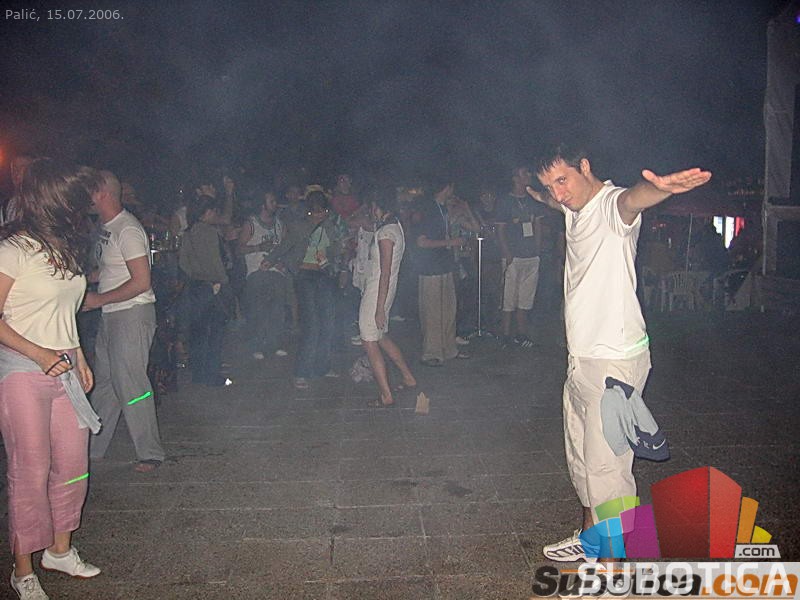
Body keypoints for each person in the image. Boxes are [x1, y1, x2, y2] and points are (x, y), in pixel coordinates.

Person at [532, 144, 711, 561]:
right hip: (582, 358)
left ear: (585, 167)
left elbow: (634, 200)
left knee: (608, 469)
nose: (559, 193)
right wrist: (538, 194)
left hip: (613, 361)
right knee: (582, 458)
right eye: (550, 186)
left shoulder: (612, 207)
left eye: (563, 180)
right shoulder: (572, 209)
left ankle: (614, 567)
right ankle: (589, 538)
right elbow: (553, 201)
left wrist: (661, 189)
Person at [0, 158, 102, 599]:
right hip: (23, 370)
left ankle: (60, 550)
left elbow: (65, 312)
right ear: (51, 199)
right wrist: (40, 354)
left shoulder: (64, 248)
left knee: (74, 464)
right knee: (31, 469)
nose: (82, 204)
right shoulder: (14, 250)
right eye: (74, 196)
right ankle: (22, 568)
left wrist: (78, 355)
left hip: (64, 369)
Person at [82, 170, 166, 473]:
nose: (86, 198)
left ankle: (150, 453)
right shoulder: (107, 228)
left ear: (103, 193)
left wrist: (97, 300)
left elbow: (141, 281)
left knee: (131, 383)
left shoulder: (127, 229)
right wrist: (80, 281)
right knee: (106, 384)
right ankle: (92, 449)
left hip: (131, 313)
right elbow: (111, 270)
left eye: (90, 191)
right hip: (112, 313)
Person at [359, 191, 416, 406]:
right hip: (384, 289)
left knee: (369, 340)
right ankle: (408, 377)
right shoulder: (395, 227)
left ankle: (386, 395)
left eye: (373, 208)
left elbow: (384, 272)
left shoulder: (386, 234)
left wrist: (379, 308)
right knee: (381, 336)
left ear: (380, 207)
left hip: (377, 291)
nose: (371, 212)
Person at [415, 180, 470, 367]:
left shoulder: (443, 209)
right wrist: (451, 242)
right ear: (447, 187)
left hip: (444, 266)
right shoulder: (428, 209)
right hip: (430, 268)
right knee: (432, 312)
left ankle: (448, 349)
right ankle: (431, 353)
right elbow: (421, 242)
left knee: (448, 310)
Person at [178, 195, 231, 387]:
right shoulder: (208, 232)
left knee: (198, 333)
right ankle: (211, 375)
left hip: (195, 286)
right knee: (214, 333)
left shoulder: (188, 232)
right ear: (206, 212)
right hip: (212, 286)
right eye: (214, 210)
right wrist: (223, 281)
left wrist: (195, 274)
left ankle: (199, 374)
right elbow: (216, 261)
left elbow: (183, 262)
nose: (216, 214)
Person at [496, 166, 550, 349]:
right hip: (513, 256)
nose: (529, 175)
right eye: (524, 173)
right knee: (508, 297)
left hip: (531, 256)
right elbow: (500, 229)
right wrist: (506, 252)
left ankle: (521, 333)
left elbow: (538, 225)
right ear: (515, 178)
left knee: (526, 297)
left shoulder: (532, 200)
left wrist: (537, 249)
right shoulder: (505, 201)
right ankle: (505, 335)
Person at [237, 190, 289, 359]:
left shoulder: (280, 224)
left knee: (278, 310)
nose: (275, 204)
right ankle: (256, 345)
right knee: (258, 310)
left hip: (277, 273)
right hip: (256, 272)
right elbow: (239, 249)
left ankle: (275, 344)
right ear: (262, 205)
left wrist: (282, 262)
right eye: (271, 201)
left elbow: (286, 247)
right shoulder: (251, 224)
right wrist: (258, 247)